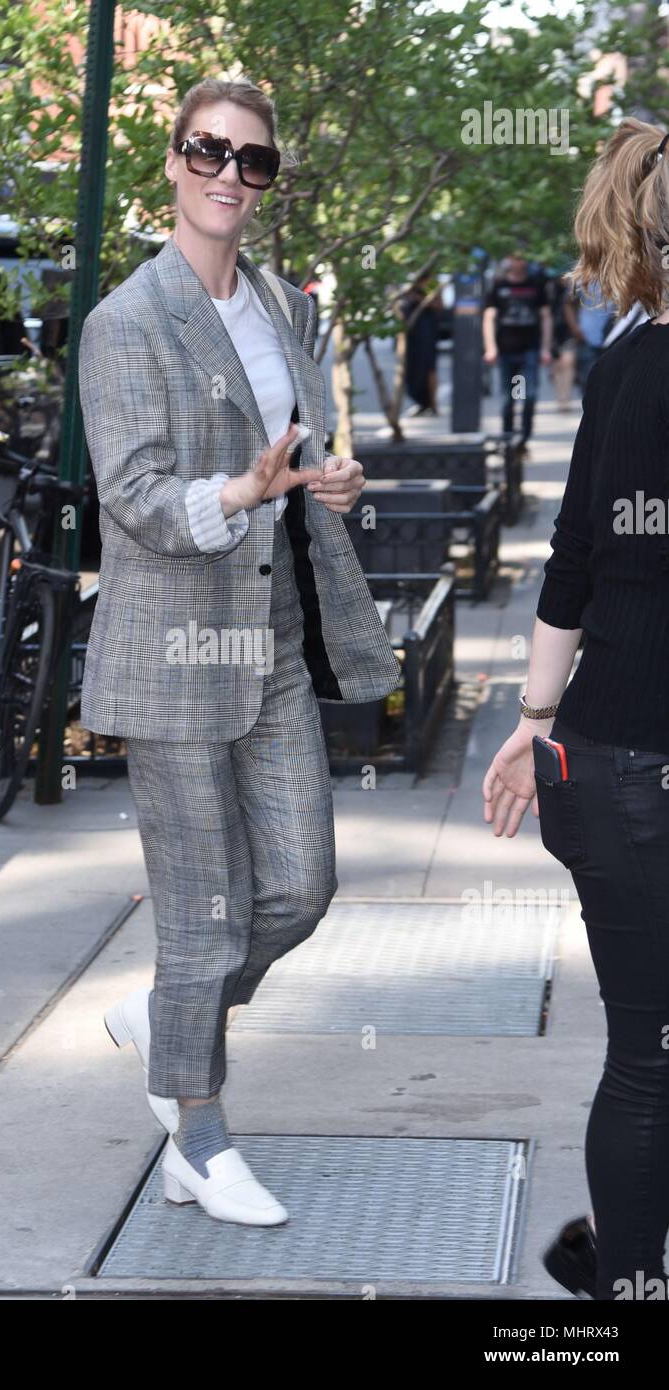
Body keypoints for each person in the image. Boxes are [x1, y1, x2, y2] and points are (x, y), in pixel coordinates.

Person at [78, 77, 401, 1226]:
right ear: (171, 163)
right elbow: (132, 498)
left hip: (269, 637)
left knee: (302, 885)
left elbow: (294, 449)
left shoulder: (281, 306)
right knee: (205, 910)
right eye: (208, 151)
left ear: (267, 182)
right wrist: (241, 487)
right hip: (169, 649)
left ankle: (166, 1014)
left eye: (251, 160)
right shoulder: (125, 320)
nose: (228, 173)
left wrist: (324, 480)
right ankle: (198, 1140)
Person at [481, 116, 669, 1300]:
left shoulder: (617, 362)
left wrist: (531, 720)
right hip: (629, 767)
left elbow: (572, 562)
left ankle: (626, 1279)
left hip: (600, 756)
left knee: (642, 1050)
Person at [482, 253, 552, 460]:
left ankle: (523, 438)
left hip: (530, 349)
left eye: (522, 258)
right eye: (514, 258)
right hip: (506, 350)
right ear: (508, 261)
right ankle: (509, 440)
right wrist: (490, 347)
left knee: (528, 396)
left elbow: (546, 317)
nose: (518, 262)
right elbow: (489, 317)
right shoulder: (498, 286)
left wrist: (546, 348)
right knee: (508, 399)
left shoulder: (536, 285)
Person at [397, 274, 441, 416]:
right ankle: (421, 402)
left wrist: (423, 300)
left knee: (428, 368)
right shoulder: (407, 285)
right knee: (411, 369)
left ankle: (432, 403)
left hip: (426, 333)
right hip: (410, 333)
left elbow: (439, 305)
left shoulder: (432, 285)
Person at [563, 279, 616, 391]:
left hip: (613, 338)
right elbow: (568, 304)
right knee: (588, 382)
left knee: (610, 382)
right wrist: (575, 329)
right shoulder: (582, 278)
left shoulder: (618, 275)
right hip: (587, 337)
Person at [547, 270, 577, 411]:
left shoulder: (574, 292)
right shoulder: (550, 290)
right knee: (558, 366)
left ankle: (566, 398)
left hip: (568, 331)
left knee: (568, 363)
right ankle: (561, 398)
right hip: (554, 332)